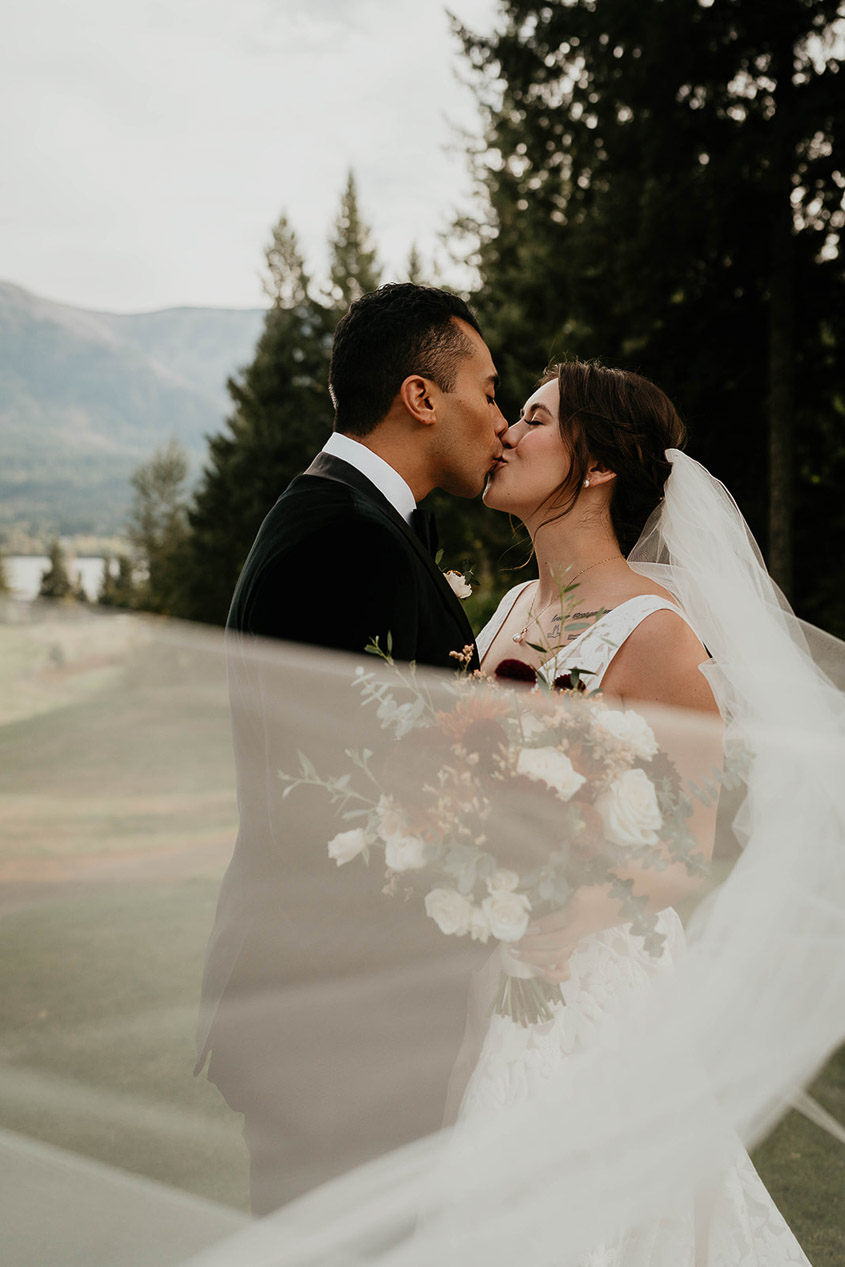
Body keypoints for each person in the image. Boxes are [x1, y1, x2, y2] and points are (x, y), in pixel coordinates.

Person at [452, 359, 814, 1262]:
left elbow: (690, 847)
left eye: (532, 418)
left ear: (599, 463)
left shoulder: (656, 634)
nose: (505, 432)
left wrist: (576, 909)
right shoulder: (503, 612)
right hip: (492, 967)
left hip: (599, 982)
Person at [194, 283, 507, 1216]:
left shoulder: (367, 525)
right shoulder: (342, 542)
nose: (498, 418)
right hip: (338, 1024)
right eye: (487, 391)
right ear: (420, 397)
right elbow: (342, 808)